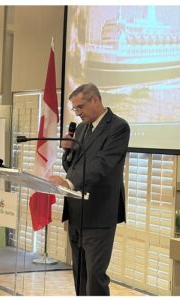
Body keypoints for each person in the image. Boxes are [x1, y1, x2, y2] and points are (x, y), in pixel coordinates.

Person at [49, 83, 130, 296]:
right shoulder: (83, 128)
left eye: (80, 107)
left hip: (99, 213)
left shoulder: (119, 127)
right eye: (75, 109)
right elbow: (73, 166)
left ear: (95, 100)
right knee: (80, 274)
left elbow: (102, 164)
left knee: (95, 277)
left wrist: (70, 183)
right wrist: (68, 152)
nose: (78, 113)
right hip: (77, 211)